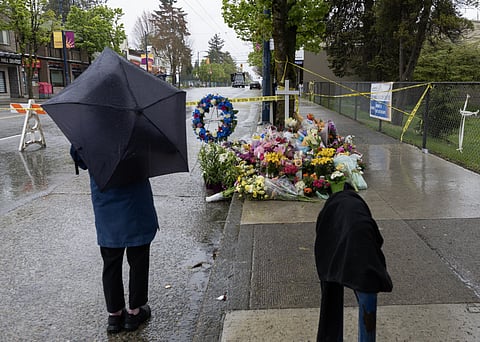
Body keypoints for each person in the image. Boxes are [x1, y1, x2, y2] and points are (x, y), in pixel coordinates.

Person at [70, 145, 158, 334]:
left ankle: (114, 315)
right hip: (135, 202)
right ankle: (134, 312)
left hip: (106, 202)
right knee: (139, 258)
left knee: (110, 260)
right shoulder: (135, 126)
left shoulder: (88, 129)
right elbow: (151, 156)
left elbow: (79, 159)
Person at [314, 183, 392, 341]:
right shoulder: (358, 207)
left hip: (333, 249)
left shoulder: (330, 210)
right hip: (367, 264)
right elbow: (378, 239)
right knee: (367, 302)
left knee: (331, 289)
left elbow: (321, 237)